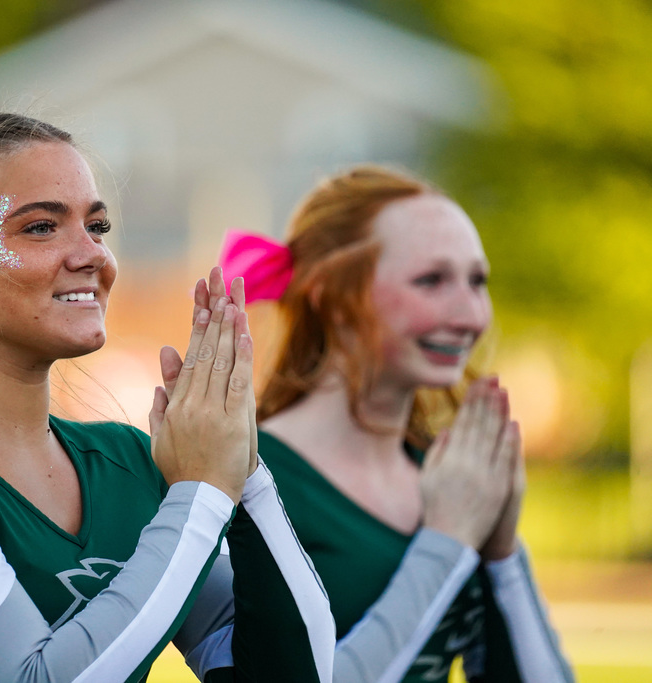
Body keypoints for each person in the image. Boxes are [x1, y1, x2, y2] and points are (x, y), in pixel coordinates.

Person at [0, 111, 336, 683]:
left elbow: (295, 673)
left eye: (97, 227)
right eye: (40, 228)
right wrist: (202, 497)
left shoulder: (129, 463)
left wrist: (243, 469)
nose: (92, 256)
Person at [219, 165, 574, 683]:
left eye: (477, 281)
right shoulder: (250, 480)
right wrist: (448, 541)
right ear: (331, 296)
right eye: (431, 280)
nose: (471, 315)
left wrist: (502, 553)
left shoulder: (448, 473)